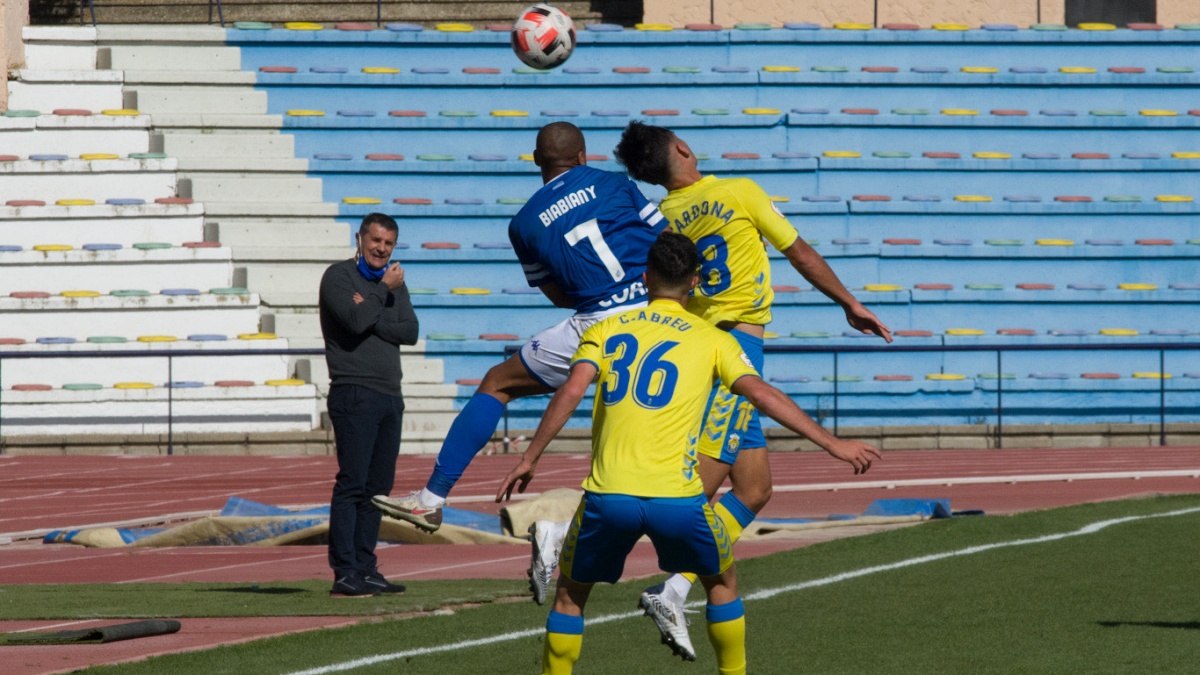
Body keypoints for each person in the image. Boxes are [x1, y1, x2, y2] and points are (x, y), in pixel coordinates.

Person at [495, 232, 881, 674]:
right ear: (695, 282)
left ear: (645, 278)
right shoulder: (713, 339)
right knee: (722, 581)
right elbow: (761, 394)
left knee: (569, 595)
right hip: (679, 499)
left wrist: (530, 457)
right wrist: (833, 443)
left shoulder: (607, 329)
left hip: (608, 497)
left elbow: (572, 389)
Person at [612, 120, 893, 654]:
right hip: (732, 350)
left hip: (700, 344)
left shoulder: (663, 221)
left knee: (755, 489)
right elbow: (800, 252)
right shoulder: (738, 192)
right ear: (683, 149)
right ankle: (592, 546)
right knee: (696, 487)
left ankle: (672, 586)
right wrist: (848, 303)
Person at [371, 122, 667, 600]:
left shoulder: (524, 222)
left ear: (536, 160)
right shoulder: (616, 183)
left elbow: (554, 293)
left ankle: (431, 497)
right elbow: (668, 243)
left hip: (593, 325)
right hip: (657, 320)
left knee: (497, 383)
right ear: (584, 155)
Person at [319, 212, 419, 597]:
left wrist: (372, 308)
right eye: (375, 240)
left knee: (378, 488)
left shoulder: (393, 284)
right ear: (360, 239)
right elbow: (355, 321)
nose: (381, 249)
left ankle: (365, 566)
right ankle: (344, 571)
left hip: (390, 395)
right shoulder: (339, 277)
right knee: (353, 483)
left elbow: (409, 331)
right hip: (354, 391)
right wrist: (379, 299)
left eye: (388, 243)